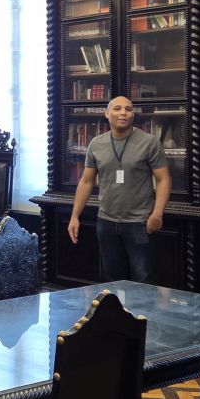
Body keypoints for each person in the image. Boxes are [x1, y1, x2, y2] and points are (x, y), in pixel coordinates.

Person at [66, 95, 171, 282]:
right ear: (107, 113)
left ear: (133, 115)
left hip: (139, 223)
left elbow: (163, 179)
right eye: (117, 108)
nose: (123, 113)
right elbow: (86, 181)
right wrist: (75, 216)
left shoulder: (149, 142)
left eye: (128, 109)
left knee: (143, 280)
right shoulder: (96, 144)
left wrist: (157, 214)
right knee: (112, 280)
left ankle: (140, 305)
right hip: (106, 222)